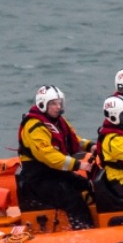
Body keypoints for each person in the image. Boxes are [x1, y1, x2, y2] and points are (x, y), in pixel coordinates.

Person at [16, 85, 95, 230]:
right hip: (38, 179)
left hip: (55, 173)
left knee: (88, 185)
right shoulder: (34, 127)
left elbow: (72, 139)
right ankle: (83, 230)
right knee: (72, 198)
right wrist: (78, 165)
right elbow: (49, 156)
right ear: (42, 104)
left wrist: (90, 146)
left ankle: (94, 224)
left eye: (59, 103)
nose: (58, 107)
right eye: (53, 103)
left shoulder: (57, 121)